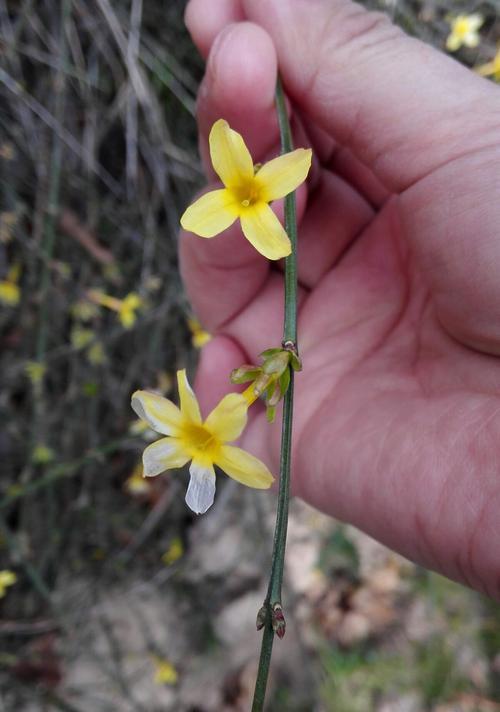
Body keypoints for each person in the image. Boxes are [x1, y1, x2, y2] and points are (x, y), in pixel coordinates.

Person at [180, 0, 500, 599]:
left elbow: (285, 174)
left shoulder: (271, 186)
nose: (251, 192)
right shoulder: (242, 201)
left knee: (244, 73)